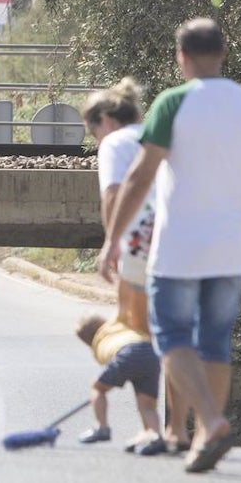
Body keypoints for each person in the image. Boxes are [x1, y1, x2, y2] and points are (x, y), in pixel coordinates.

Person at [100, 17, 241, 474]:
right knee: (215, 342)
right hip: (229, 249)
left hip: (178, 248)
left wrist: (113, 239)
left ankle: (210, 420)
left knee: (171, 337)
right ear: (224, 53)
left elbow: (141, 176)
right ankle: (204, 440)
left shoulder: (172, 103)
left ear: (181, 57)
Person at [82, 78, 191, 451]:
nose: (95, 139)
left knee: (137, 334)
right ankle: (177, 428)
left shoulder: (115, 142)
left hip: (140, 246)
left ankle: (150, 429)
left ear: (106, 120)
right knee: (174, 337)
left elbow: (114, 194)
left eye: (92, 130)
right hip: (182, 242)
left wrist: (109, 243)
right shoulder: (157, 133)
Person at [73, 313, 166, 455]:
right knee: (147, 405)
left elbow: (115, 372)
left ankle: (101, 427)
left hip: (127, 353)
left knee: (98, 388)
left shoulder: (99, 345)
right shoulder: (118, 325)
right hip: (150, 352)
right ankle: (155, 435)